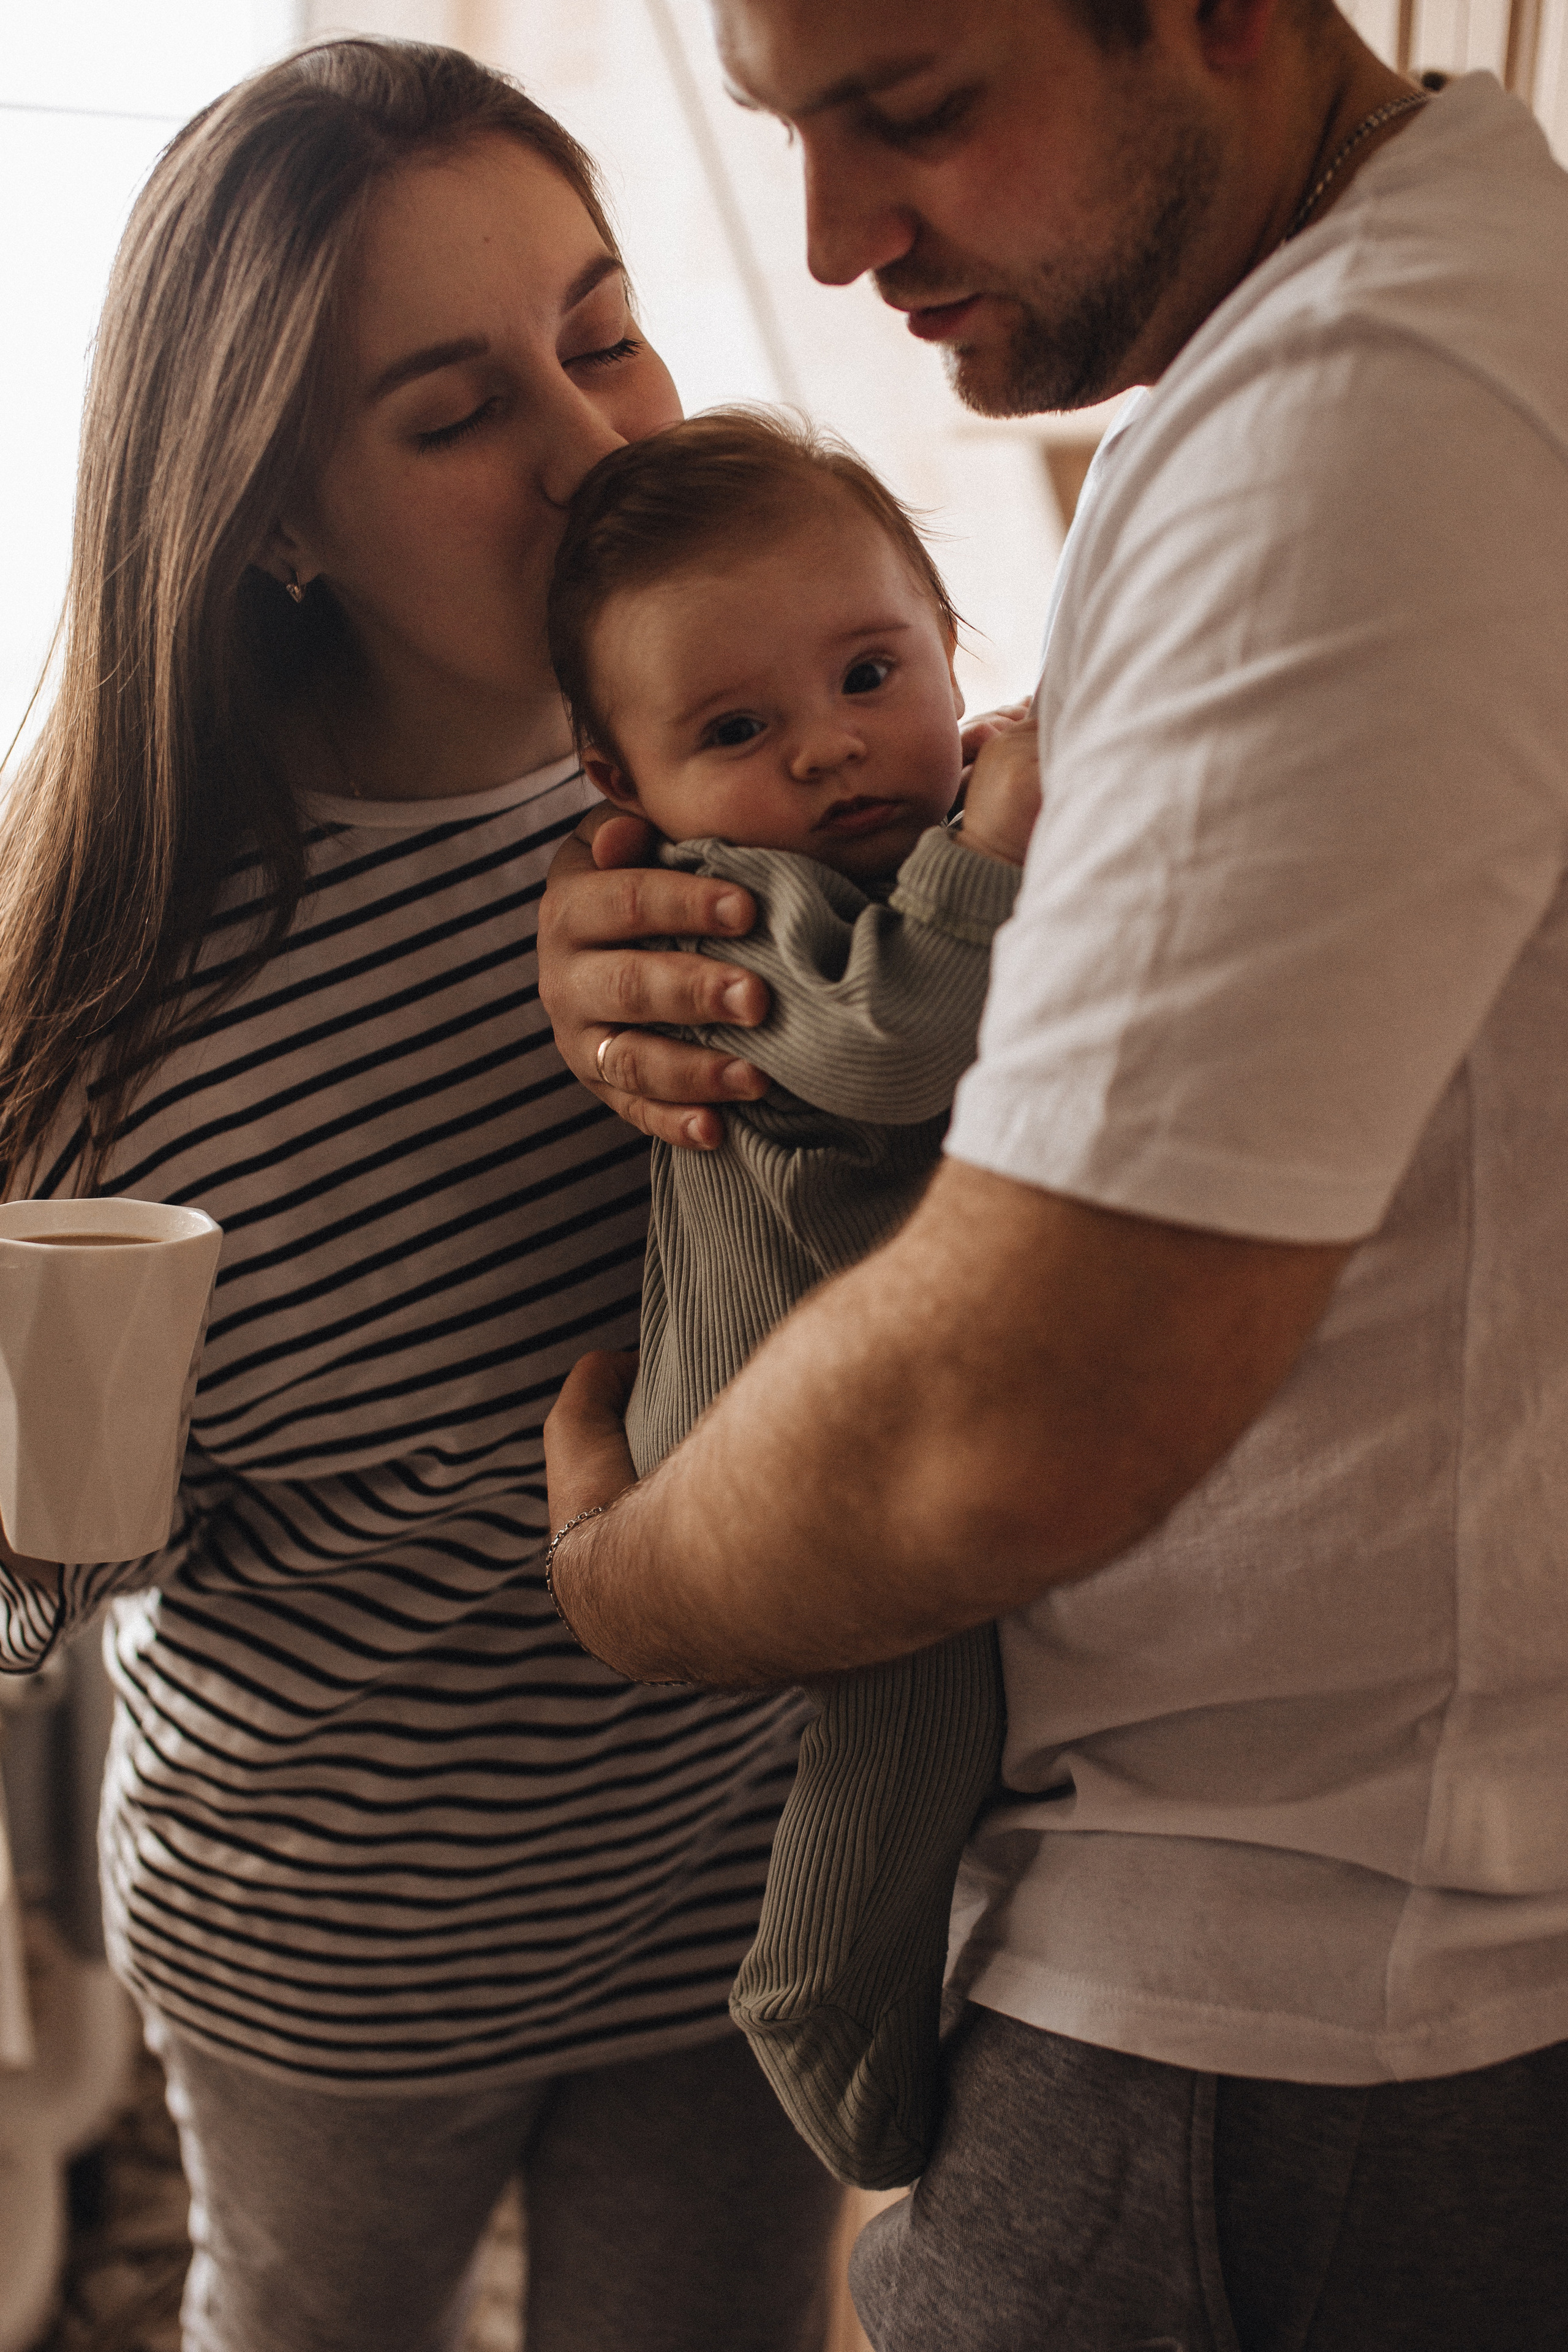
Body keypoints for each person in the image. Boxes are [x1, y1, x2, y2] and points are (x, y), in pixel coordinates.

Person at [537, 1, 1568, 2346]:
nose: (830, 240)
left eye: (909, 110)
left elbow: (1002, 1421)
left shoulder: (1360, 412)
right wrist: (673, 938)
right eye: (789, 132)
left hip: (1263, 2008)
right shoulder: (1365, 355)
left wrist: (629, 1585)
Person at [0, 39, 842, 2352]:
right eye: (460, 413)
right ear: (276, 518)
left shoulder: (777, 786)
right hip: (341, 1959)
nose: (598, 450)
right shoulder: (110, 1016)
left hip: (751, 1877)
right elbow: (44, 1591)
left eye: (606, 334)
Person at [546, 405, 1041, 2188]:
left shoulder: (901, 849)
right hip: (756, 1421)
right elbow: (895, 1042)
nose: (831, 746)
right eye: (738, 731)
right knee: (923, 1692)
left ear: (948, 643)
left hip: (840, 1371)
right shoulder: (724, 902)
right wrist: (998, 845)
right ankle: (819, 1996)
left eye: (869, 672)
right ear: (623, 784)